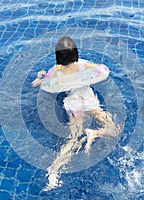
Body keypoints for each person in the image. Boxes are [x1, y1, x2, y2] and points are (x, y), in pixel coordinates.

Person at [32, 36, 118, 190]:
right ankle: (95, 133)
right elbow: (101, 70)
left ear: (58, 57)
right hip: (88, 98)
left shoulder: (55, 71)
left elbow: (43, 83)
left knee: (73, 139)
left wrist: (39, 77)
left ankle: (54, 170)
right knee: (113, 129)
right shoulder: (83, 65)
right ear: (75, 54)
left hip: (73, 103)